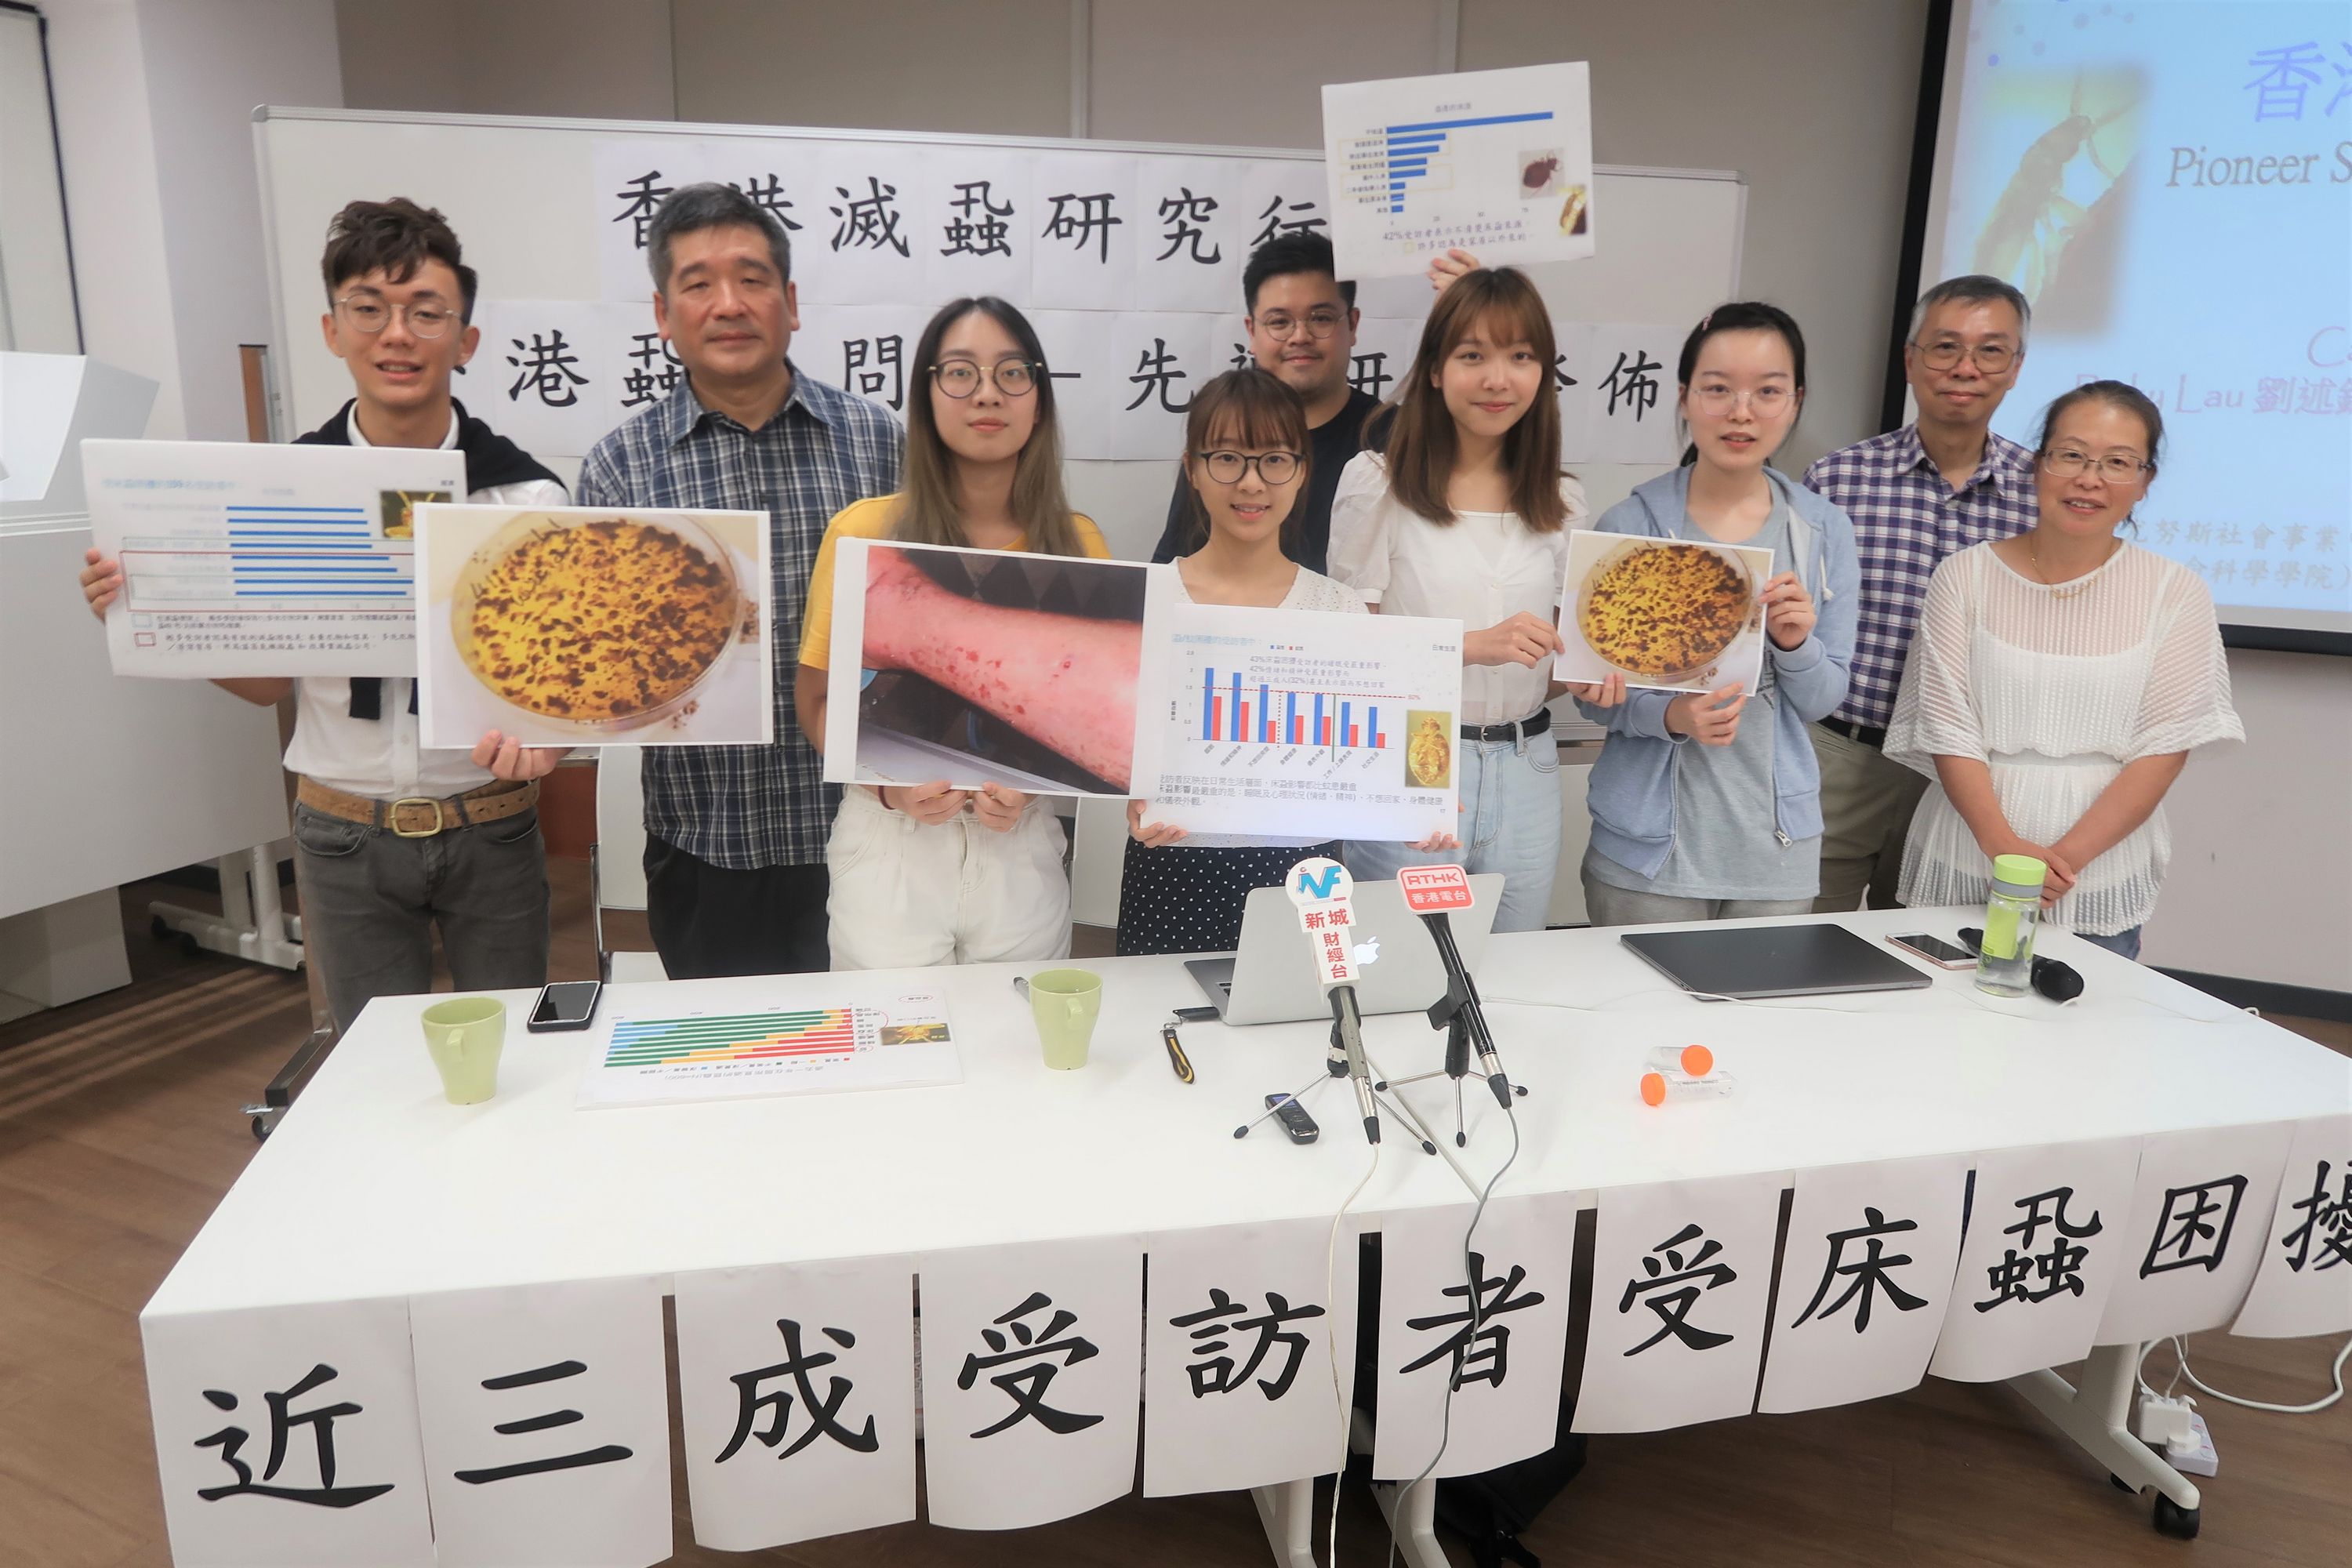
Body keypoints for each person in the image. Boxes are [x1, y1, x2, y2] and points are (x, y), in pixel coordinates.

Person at [79, 198, 564, 1032]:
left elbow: (556, 687)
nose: (397, 334)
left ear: (467, 338)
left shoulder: (525, 495)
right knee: (371, 1071)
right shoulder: (282, 487)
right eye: (368, 309)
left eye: (425, 312)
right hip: (343, 830)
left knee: (514, 1049)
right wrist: (144, 606)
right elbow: (266, 681)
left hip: (491, 823)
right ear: (333, 329)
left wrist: (552, 735)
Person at [576, 183, 904, 978]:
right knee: (726, 1072)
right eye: (698, 283)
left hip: (867, 832)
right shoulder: (621, 467)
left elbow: (924, 632)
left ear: (790, 302)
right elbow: (591, 664)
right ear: (663, 314)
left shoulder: (879, 444)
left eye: (753, 279)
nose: (729, 303)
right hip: (705, 845)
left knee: (868, 1064)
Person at [795, 297, 1108, 968]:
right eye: (961, 373)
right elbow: (816, 701)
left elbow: (1089, 728)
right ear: (927, 395)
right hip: (891, 847)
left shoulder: (1079, 545)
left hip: (1020, 848)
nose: (988, 394)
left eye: (1012, 373)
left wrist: (1037, 789)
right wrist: (886, 785)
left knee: (1022, 1057)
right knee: (895, 1058)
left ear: (1039, 397)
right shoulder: (864, 532)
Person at [1885, 381, 2241, 960]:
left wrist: (2061, 863)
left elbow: (2165, 747)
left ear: (2146, 482)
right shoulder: (1963, 576)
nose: (2089, 478)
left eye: (2118, 463)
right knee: (1941, 1035)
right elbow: (1946, 723)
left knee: (2078, 1039)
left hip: (2095, 871)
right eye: (2071, 455)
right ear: (2038, 463)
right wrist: (2003, 848)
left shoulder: (2175, 592)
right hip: (1968, 847)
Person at [1122, 369, 1454, 953]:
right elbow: (1110, 744)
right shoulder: (1146, 603)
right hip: (1175, 866)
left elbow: (1392, 740)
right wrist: (1128, 796)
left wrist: (1421, 803)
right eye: (1227, 458)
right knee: (1169, 1032)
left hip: (1308, 875)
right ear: (1192, 469)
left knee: (1300, 1031)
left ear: (1301, 472)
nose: (1252, 483)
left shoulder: (1340, 609)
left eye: (1274, 460)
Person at [1327, 266, 1595, 932]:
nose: (1498, 379)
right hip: (1415, 754)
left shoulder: (1561, 502)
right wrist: (1474, 647)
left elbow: (1564, 659)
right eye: (1473, 355)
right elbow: (1344, 654)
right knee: (1402, 975)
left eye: (1521, 356)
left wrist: (1603, 672)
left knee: (1511, 973)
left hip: (1530, 760)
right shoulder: (1376, 483)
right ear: (1437, 370)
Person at [1575, 304, 1860, 925]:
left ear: (1795, 401)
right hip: (1645, 852)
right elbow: (1589, 693)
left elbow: (1822, 699)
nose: (1741, 410)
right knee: (1640, 1020)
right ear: (1683, 398)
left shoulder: (1821, 530)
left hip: (1775, 851)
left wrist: (1796, 645)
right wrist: (1672, 714)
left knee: (1758, 1022)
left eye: (1768, 391)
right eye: (1717, 389)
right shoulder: (1630, 527)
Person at [1802, 275, 2039, 911]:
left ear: (2015, 368)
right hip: (1842, 754)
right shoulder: (1837, 480)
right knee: (1797, 939)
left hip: (1968, 773)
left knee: (1929, 961)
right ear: (1911, 360)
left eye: (1991, 350)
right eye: (1945, 347)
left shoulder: (2043, 494)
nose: (1966, 367)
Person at [1145, 233, 1382, 575]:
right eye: (1279, 322)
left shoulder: (1396, 439)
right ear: (1252, 332)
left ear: (1353, 324)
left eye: (1320, 318)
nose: (1300, 336)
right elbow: (1173, 570)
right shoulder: (1222, 435)